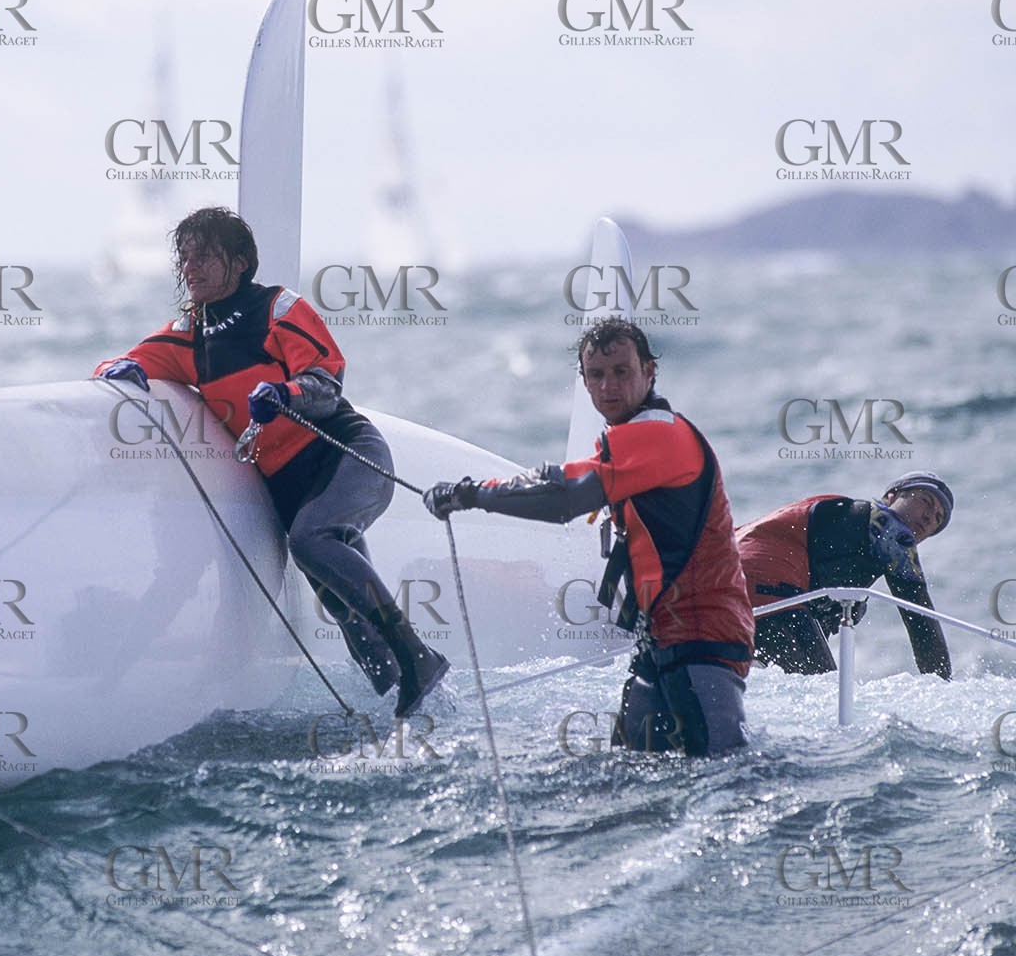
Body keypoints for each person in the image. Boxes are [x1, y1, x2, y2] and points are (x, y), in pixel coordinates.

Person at [93, 207, 448, 717]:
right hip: (285, 488)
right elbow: (120, 362)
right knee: (340, 605)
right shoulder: (186, 335)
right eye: (184, 257)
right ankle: (405, 706)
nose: (190, 268)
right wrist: (115, 369)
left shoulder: (279, 308)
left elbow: (326, 381)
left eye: (205, 256)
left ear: (239, 262)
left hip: (344, 458)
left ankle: (420, 656)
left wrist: (287, 392)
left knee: (313, 541)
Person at [422, 317, 754, 757]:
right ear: (583, 381)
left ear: (650, 372)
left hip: (701, 640)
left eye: (622, 372)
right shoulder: (628, 440)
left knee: (724, 769)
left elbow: (562, 497)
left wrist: (471, 494)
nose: (608, 386)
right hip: (661, 641)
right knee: (627, 770)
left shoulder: (659, 436)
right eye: (596, 376)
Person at [736, 473, 953, 679]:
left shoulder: (846, 528)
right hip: (763, 583)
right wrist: (944, 686)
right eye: (925, 501)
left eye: (937, 518)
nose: (928, 517)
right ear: (892, 496)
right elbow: (920, 620)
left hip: (721, 583)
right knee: (821, 695)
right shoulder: (885, 528)